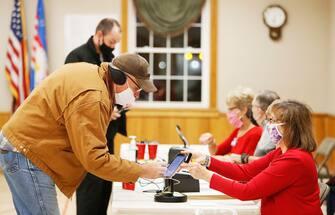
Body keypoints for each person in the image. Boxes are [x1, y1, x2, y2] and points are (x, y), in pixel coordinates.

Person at [0, 53, 166, 215]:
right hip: (26, 152)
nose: (137, 95)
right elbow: (96, 160)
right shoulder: (94, 96)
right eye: (137, 88)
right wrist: (142, 171)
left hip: (20, 145)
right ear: (121, 77)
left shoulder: (93, 75)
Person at [183, 100, 322, 215]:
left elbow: (247, 191)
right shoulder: (281, 152)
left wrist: (206, 176)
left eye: (273, 121)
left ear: (291, 128)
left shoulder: (294, 160)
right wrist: (207, 160)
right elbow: (245, 172)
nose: (269, 126)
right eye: (269, 120)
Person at [64, 18, 125, 215]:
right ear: (100, 35)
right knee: (90, 190)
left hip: (108, 134)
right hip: (88, 136)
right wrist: (105, 111)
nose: (113, 46)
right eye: (111, 41)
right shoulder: (76, 57)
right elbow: (72, 99)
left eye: (116, 43)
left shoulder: (109, 57)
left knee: (105, 187)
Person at [199, 87, 262, 161]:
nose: (228, 113)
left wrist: (225, 159)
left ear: (244, 109)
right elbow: (217, 152)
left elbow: (246, 164)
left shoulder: (256, 132)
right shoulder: (239, 130)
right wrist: (211, 143)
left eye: (231, 109)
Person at [229, 90, 280, 164]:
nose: (251, 109)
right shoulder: (267, 127)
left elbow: (269, 161)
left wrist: (243, 158)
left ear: (259, 110)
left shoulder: (270, 129)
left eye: (252, 106)